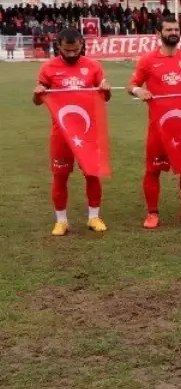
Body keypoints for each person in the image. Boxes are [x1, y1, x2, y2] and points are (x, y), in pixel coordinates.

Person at [129, 14, 181, 228]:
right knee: (153, 170)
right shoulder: (147, 60)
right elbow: (132, 85)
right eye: (169, 30)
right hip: (158, 127)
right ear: (159, 33)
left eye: (176, 30)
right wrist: (139, 91)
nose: (173, 33)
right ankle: (152, 214)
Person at [33, 28, 112, 236]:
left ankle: (94, 217)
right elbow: (37, 100)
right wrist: (38, 93)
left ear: (82, 45)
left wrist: (106, 90)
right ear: (59, 46)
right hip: (61, 134)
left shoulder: (93, 66)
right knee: (60, 176)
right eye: (67, 50)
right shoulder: (48, 68)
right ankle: (61, 221)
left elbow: (104, 97)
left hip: (88, 132)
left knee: (92, 175)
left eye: (75, 50)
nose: (71, 54)